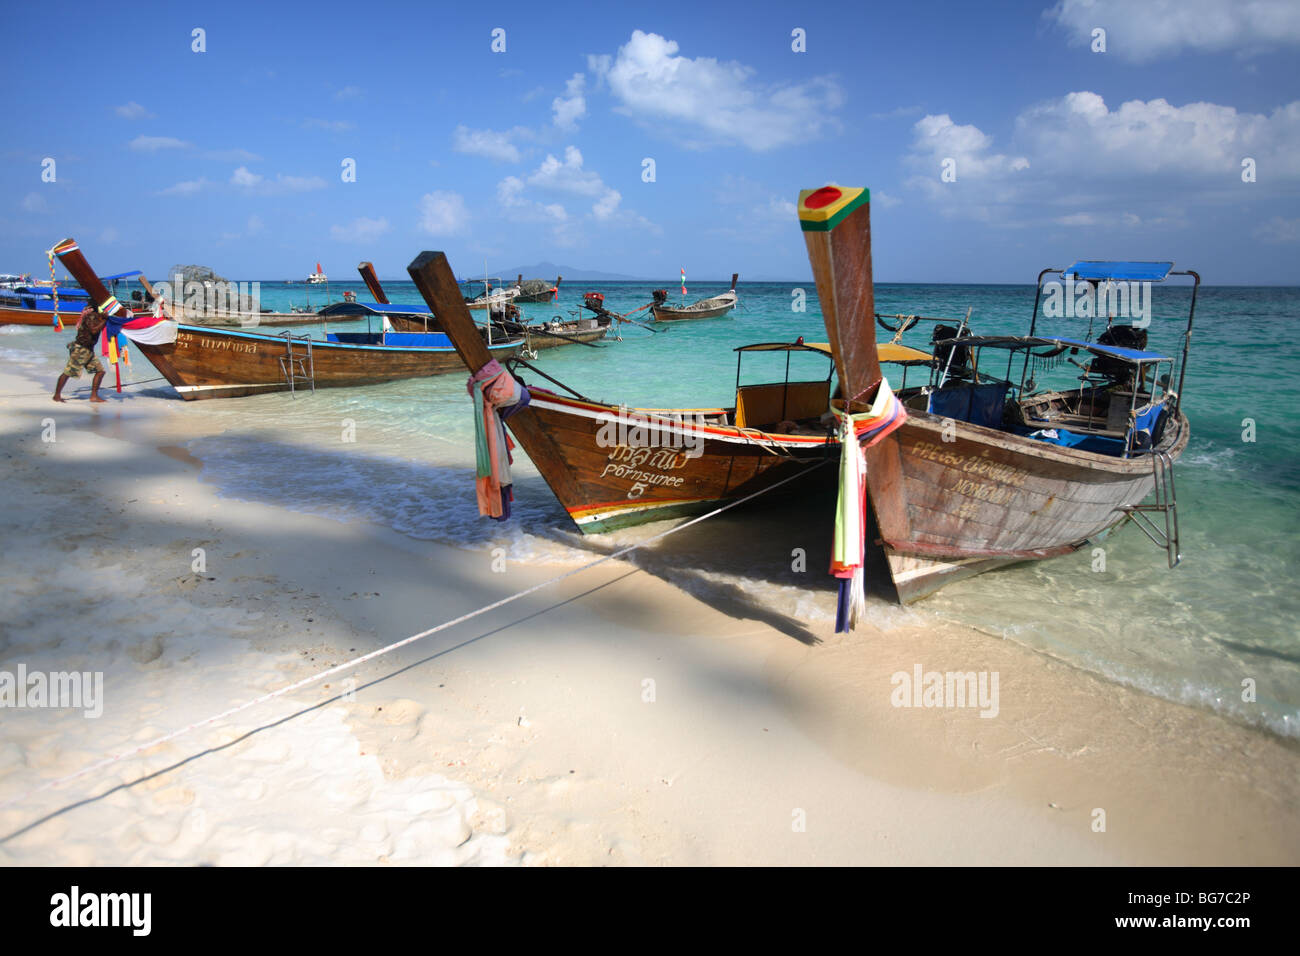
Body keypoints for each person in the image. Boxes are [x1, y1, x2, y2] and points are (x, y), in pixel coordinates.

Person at [53, 305, 108, 403]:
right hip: (81, 350)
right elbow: (93, 330)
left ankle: (94, 396)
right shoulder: (91, 316)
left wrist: (103, 318)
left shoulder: (96, 316)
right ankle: (57, 396)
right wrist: (104, 320)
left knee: (100, 371)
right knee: (68, 373)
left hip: (89, 350)